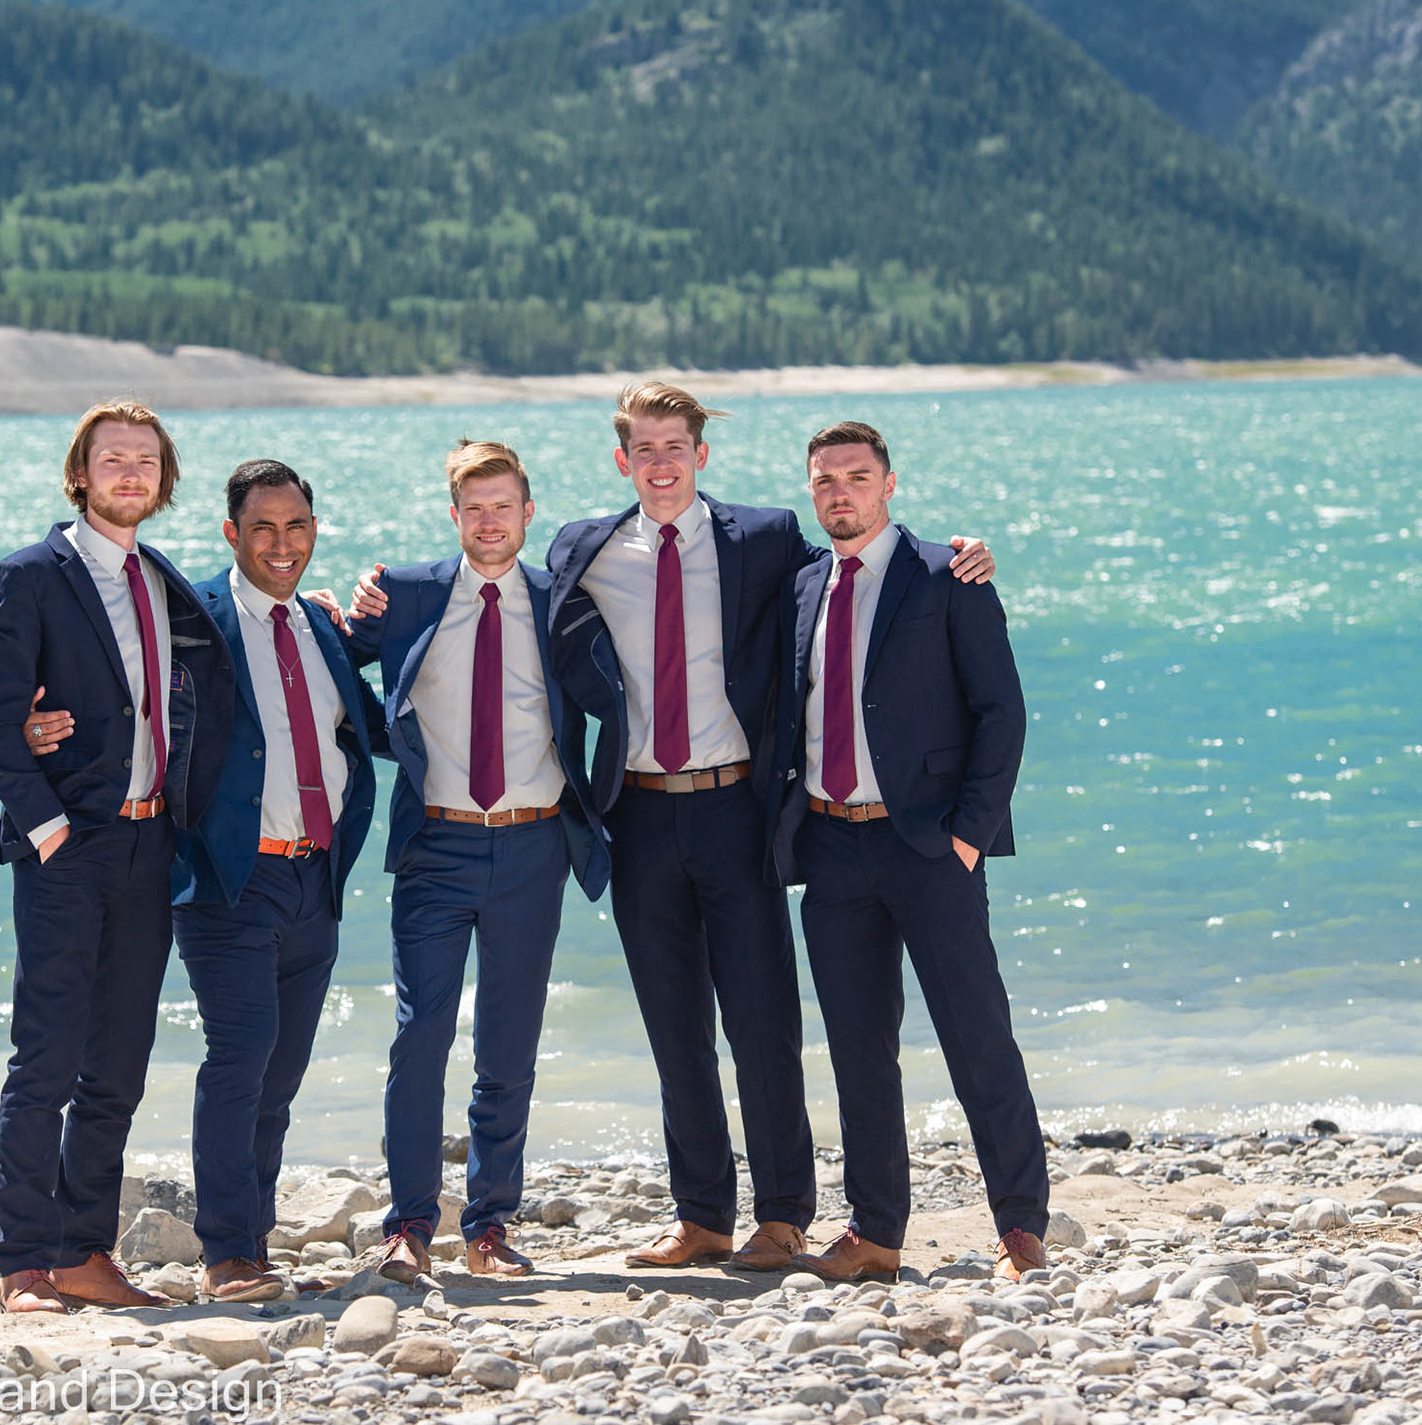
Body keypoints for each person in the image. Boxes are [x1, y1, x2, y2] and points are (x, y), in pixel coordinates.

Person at [542, 384, 995, 1272]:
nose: (661, 462)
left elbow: (865, 555)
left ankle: (784, 1211)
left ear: (701, 455)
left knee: (762, 1018)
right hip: (637, 807)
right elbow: (511, 594)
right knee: (675, 1026)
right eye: (644, 448)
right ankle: (703, 1213)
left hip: (735, 806)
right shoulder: (585, 547)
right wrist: (368, 603)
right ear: (621, 458)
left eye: (676, 446)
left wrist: (964, 553)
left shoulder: (765, 536)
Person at [0, 400, 233, 1314]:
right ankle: (24, 1262)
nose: (130, 473)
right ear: (80, 473)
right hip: (68, 851)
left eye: (146, 460)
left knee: (118, 1062)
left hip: (151, 843)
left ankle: (86, 1251)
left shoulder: (163, 580)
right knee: (45, 1058)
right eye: (112, 459)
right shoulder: (32, 574)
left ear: (163, 480)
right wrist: (46, 831)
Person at [768, 420, 1049, 1284]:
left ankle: (1020, 1229)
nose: (840, 492)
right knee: (858, 1047)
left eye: (856, 476)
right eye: (825, 481)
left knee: (978, 1036)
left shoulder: (947, 574)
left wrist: (968, 833)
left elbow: (1003, 712)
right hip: (832, 845)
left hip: (929, 847)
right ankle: (876, 1231)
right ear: (812, 492)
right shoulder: (802, 587)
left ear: (890, 484)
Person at [342, 439, 610, 1283]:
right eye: (474, 508)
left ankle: (489, 1223)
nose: (489, 522)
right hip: (437, 841)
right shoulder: (411, 592)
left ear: (528, 514)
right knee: (420, 1033)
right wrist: (328, 606)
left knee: (509, 1042)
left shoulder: (558, 598)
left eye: (504, 507)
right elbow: (320, 656)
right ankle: (410, 1224)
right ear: (452, 515)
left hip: (534, 842)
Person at [165, 459, 385, 1303]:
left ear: (314, 532)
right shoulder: (200, 620)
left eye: (296, 527)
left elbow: (360, 728)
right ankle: (225, 1253)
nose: (281, 544)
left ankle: (253, 1240)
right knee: (241, 1054)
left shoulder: (321, 626)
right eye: (263, 528)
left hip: (314, 878)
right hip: (230, 880)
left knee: (281, 1071)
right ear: (232, 534)